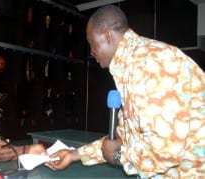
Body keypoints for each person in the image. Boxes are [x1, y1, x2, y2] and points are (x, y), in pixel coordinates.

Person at [45, 5, 205, 178]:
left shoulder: (150, 63)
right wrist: (74, 155)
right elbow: (124, 137)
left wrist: (118, 156)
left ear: (107, 35)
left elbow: (166, 150)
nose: (91, 51)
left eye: (91, 43)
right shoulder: (132, 66)